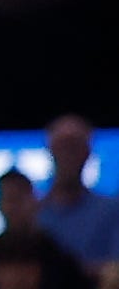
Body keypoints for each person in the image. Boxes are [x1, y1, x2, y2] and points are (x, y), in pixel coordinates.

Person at [39, 116, 119, 274]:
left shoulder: (111, 211)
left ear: (87, 153)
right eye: (62, 147)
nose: (68, 156)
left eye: (74, 148)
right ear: (50, 151)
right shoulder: (33, 214)